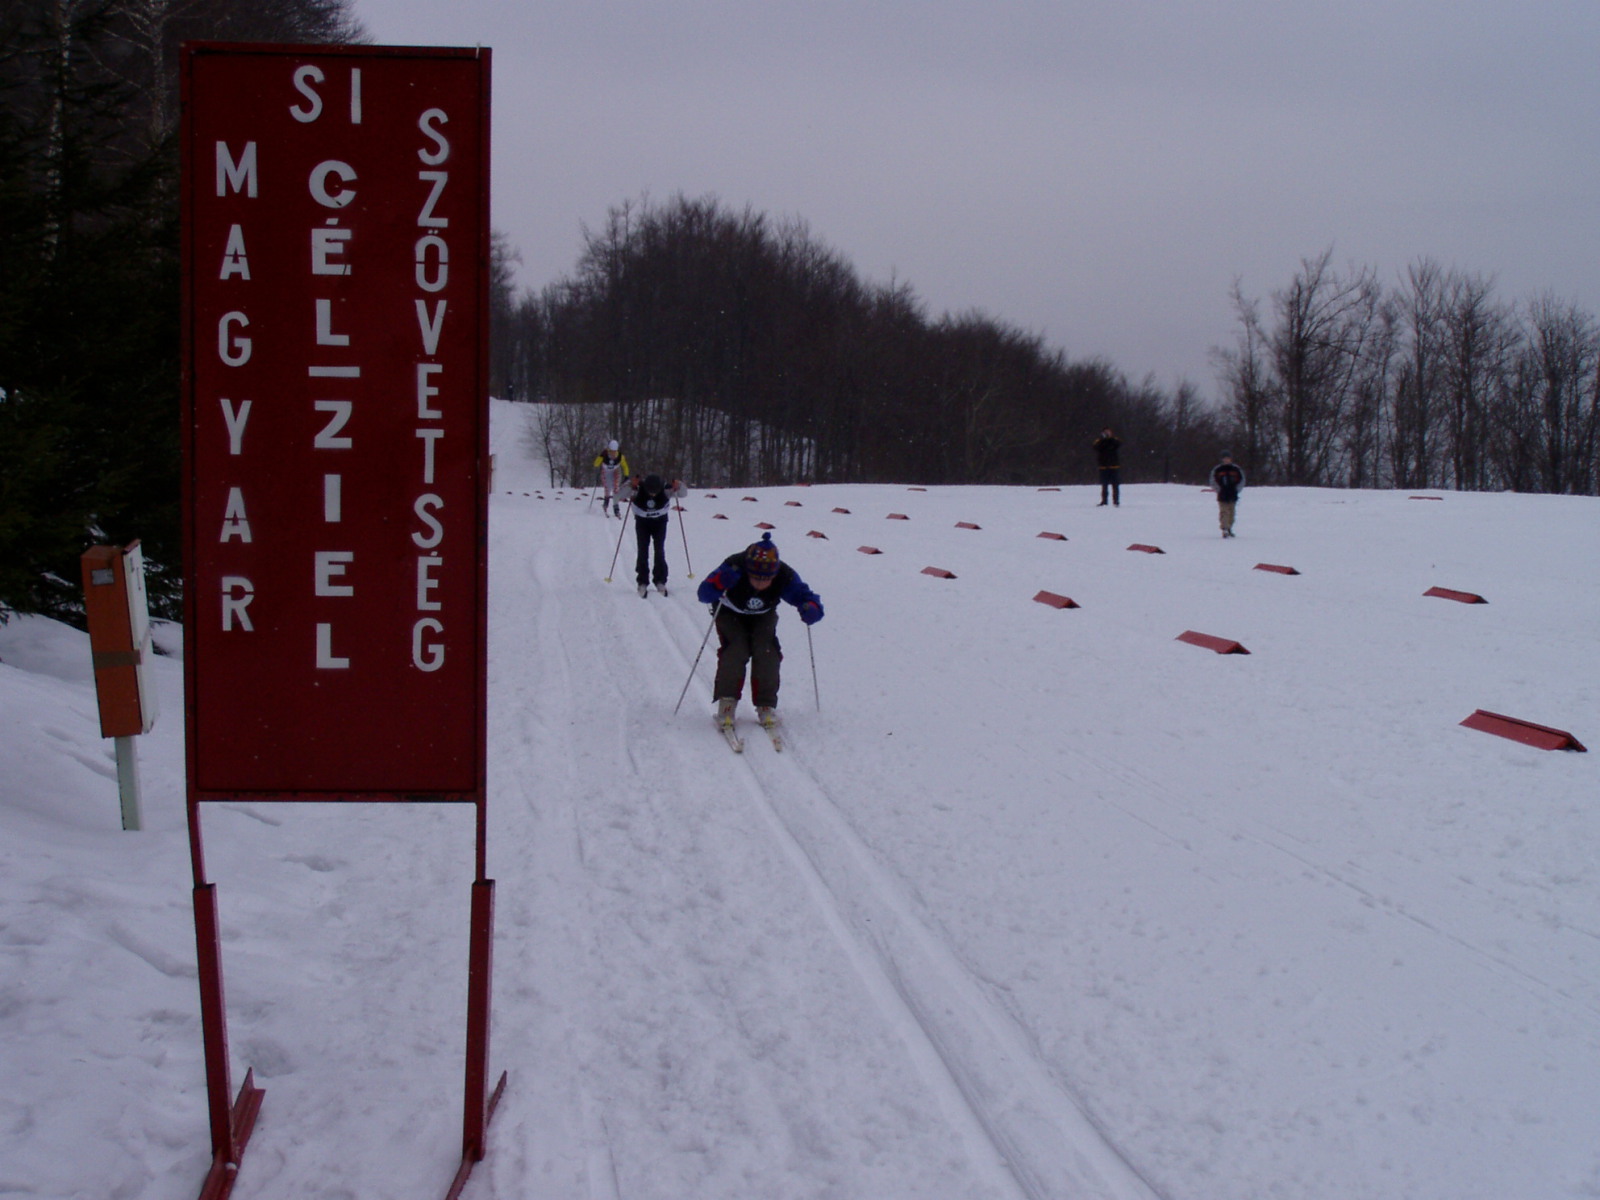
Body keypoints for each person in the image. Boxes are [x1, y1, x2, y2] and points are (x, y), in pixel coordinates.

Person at [696, 532, 823, 730]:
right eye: (756, 578)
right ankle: (727, 702)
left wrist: (811, 607)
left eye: (766, 579)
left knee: (767, 651)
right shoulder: (734, 566)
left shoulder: (783, 574)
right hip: (730, 612)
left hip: (763, 613)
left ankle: (766, 705)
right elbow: (703, 594)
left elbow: (804, 595)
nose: (761, 584)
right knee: (736, 649)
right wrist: (720, 583)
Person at [623, 473, 685, 596]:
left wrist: (679, 485)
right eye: (650, 492)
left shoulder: (666, 489)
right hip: (642, 523)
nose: (653, 495)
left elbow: (683, 494)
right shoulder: (638, 488)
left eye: (655, 492)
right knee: (642, 550)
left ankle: (660, 580)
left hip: (660, 523)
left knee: (659, 550)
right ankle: (642, 581)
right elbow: (619, 495)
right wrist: (630, 484)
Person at [1211, 453, 1245, 537]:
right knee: (1224, 512)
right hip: (1222, 494)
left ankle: (1229, 527)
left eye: (1228, 458)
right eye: (1224, 458)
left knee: (1231, 512)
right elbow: (1213, 480)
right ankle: (1224, 528)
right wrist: (1219, 490)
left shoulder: (1236, 469)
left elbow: (1241, 480)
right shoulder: (1218, 469)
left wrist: (1236, 490)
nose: (1226, 460)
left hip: (1232, 494)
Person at [593, 440, 630, 517]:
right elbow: (596, 464)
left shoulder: (620, 456)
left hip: (616, 471)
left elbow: (625, 466)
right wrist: (600, 457)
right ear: (608, 449)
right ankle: (605, 504)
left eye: (614, 451)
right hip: (606, 472)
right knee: (608, 488)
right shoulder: (605, 454)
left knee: (616, 488)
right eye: (611, 451)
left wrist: (626, 475)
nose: (613, 453)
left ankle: (616, 508)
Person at [1093, 427, 1122, 506]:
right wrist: (1103, 439)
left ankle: (1116, 501)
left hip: (1113, 466)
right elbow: (1095, 446)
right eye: (1105, 432)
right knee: (1104, 485)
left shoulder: (1114, 440)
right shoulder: (1100, 441)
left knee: (1115, 485)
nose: (1107, 433)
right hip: (1103, 466)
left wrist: (1110, 438)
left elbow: (1118, 444)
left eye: (1108, 432)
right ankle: (1104, 501)